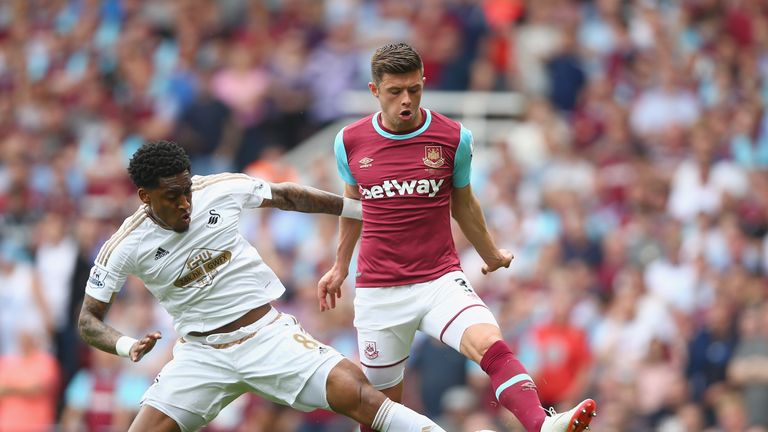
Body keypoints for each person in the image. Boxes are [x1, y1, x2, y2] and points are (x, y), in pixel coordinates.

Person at [317, 42, 597, 432]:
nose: (406, 100)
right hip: (379, 292)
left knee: (489, 342)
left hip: (438, 279)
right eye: (395, 91)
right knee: (379, 409)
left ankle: (541, 424)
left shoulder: (452, 137)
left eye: (414, 89)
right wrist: (338, 267)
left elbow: (464, 204)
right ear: (374, 91)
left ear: (424, 84)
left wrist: (491, 252)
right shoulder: (349, 141)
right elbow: (353, 208)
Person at [77, 140, 448, 432]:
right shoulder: (125, 245)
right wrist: (127, 346)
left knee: (359, 394)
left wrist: (363, 211)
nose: (186, 202)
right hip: (201, 355)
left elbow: (288, 195)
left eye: (187, 189)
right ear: (145, 197)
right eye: (172, 196)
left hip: (266, 336)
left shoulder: (219, 189)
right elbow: (88, 321)